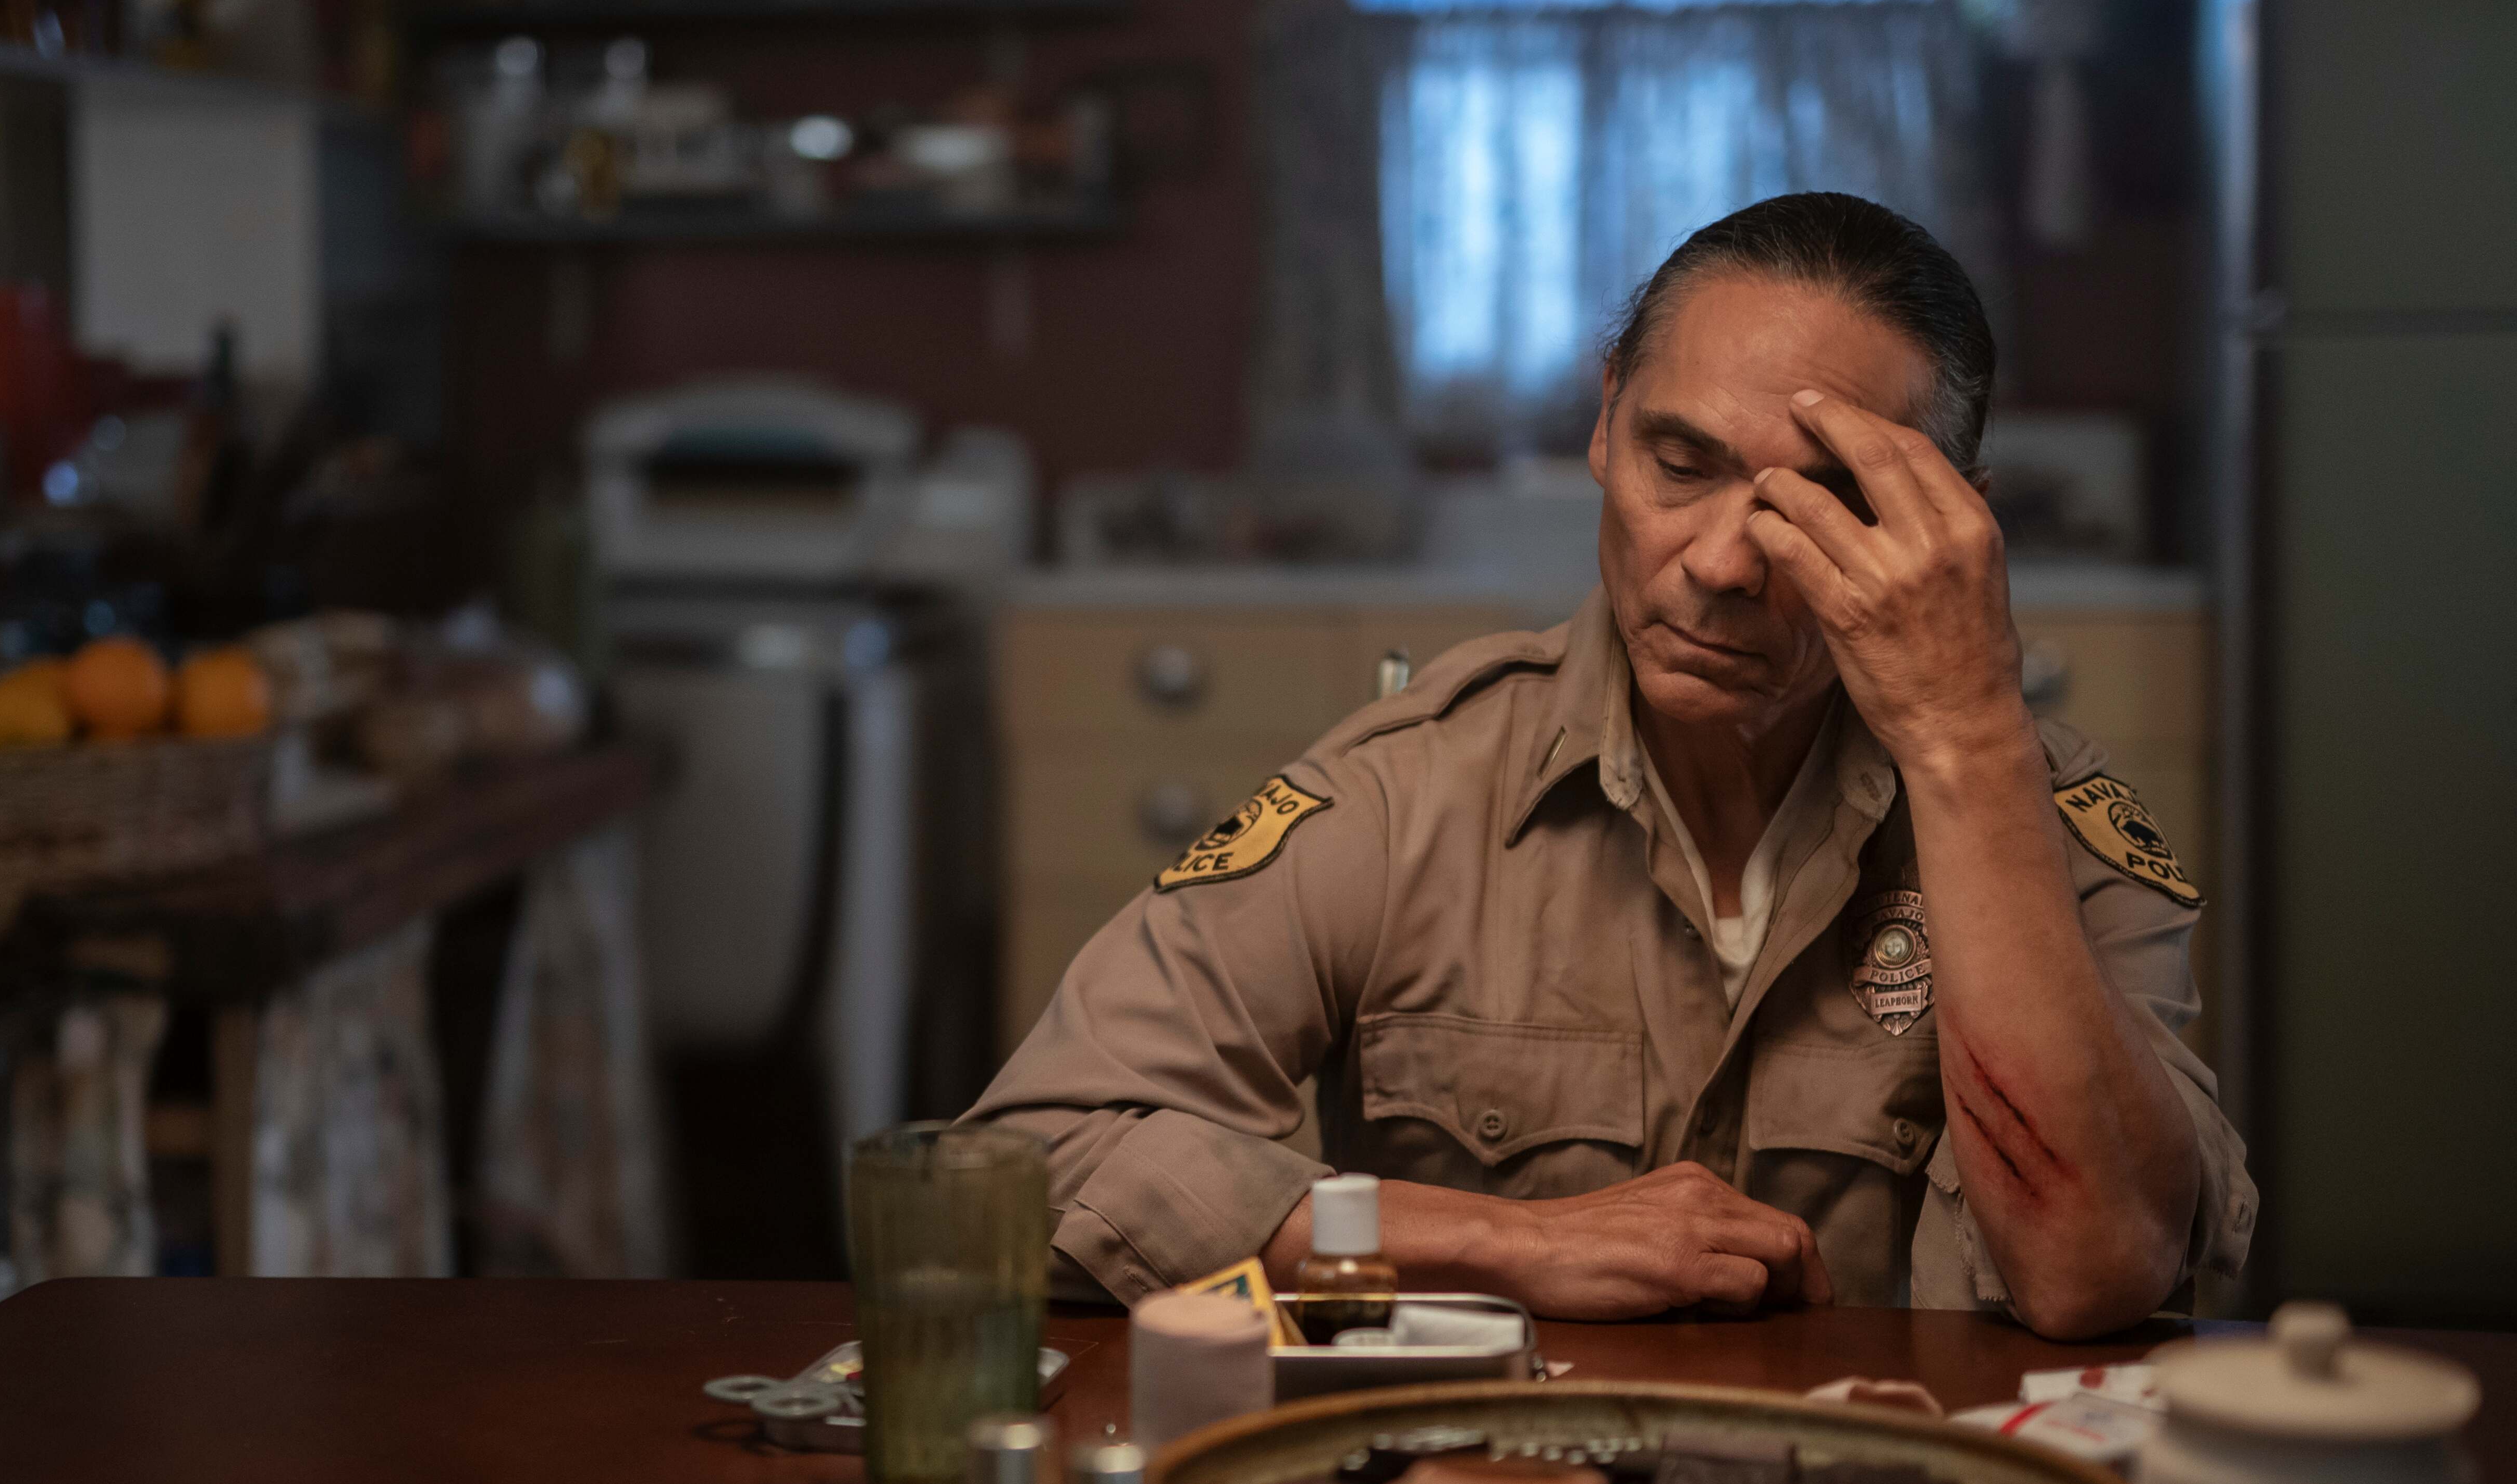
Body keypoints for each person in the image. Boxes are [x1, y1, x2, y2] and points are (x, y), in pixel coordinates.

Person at [966, 193, 2254, 1340]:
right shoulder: (1412, 791)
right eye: (1678, 464)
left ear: (1944, 525)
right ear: (1604, 424)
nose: (1719, 563)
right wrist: (1507, 1245)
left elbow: (2097, 1270)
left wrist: (1967, 736)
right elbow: (1019, 1172)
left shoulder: (2041, 818)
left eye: (1820, 504)